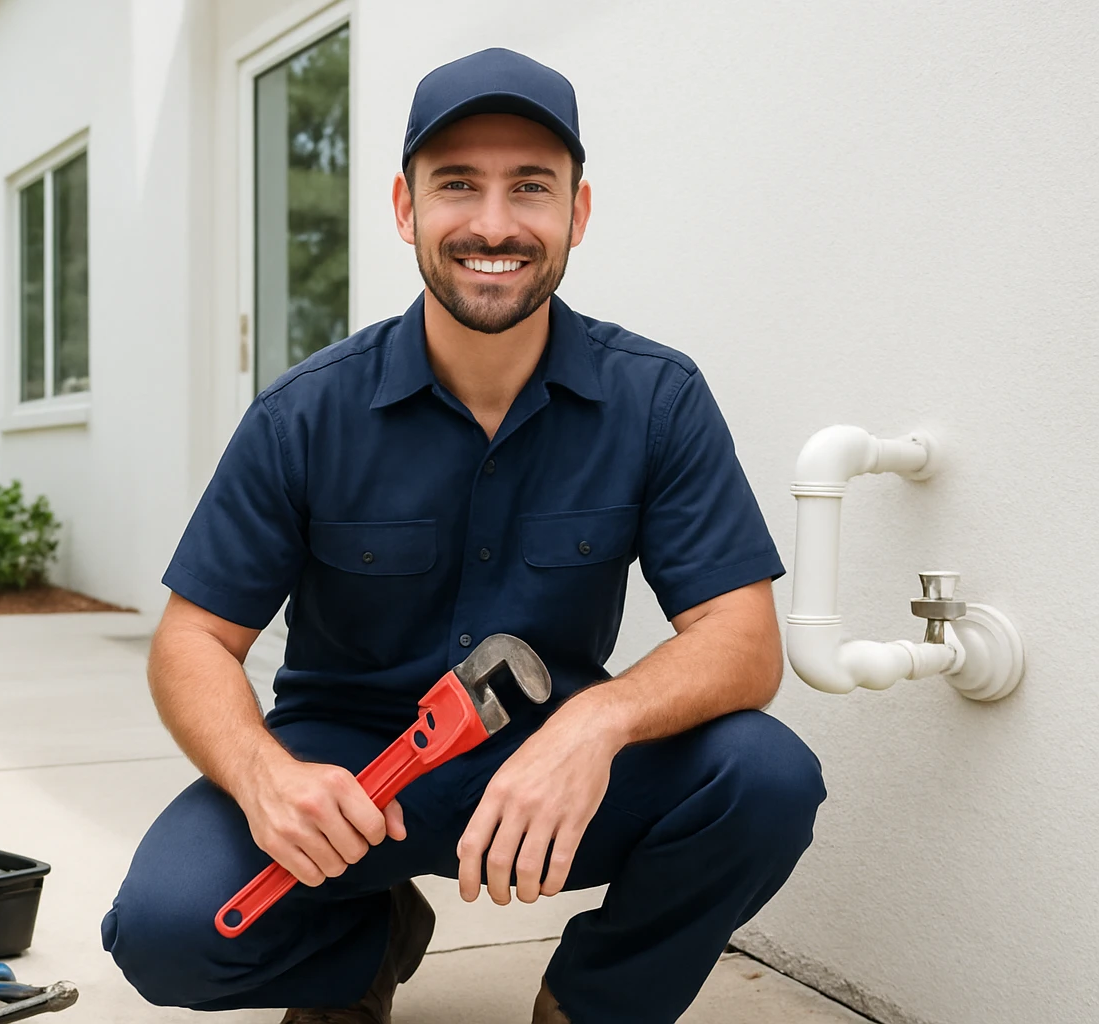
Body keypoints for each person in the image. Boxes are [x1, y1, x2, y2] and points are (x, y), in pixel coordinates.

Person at [101, 47, 826, 1024]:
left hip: (553, 764)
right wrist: (265, 778)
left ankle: (593, 1002)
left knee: (767, 776)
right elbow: (193, 639)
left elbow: (743, 641)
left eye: (531, 187)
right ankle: (363, 944)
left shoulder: (657, 399)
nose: (493, 224)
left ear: (578, 210)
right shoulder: (303, 416)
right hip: (350, 772)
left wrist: (593, 723)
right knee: (169, 930)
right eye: (458, 186)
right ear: (405, 209)